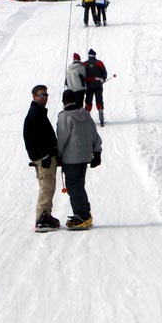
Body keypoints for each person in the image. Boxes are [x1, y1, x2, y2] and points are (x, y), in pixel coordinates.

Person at [57, 89, 102, 229]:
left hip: (71, 159)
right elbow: (95, 135)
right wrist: (97, 152)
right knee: (79, 186)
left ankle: (81, 215)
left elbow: (62, 139)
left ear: (64, 101)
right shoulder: (86, 115)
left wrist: (58, 155)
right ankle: (85, 213)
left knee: (73, 188)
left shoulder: (65, 116)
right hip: (84, 157)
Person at [23, 84, 60, 231]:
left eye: (46, 95)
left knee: (48, 186)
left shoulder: (39, 112)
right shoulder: (35, 114)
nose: (44, 97)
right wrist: (43, 155)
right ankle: (42, 219)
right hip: (43, 159)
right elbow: (32, 138)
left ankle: (46, 216)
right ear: (34, 96)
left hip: (45, 157)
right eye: (41, 95)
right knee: (46, 187)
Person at [84, 49, 108, 126]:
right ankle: (101, 116)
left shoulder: (84, 64)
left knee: (88, 101)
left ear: (88, 55)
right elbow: (104, 72)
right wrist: (103, 79)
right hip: (98, 85)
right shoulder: (99, 63)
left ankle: (86, 118)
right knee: (99, 100)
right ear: (95, 55)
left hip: (88, 86)